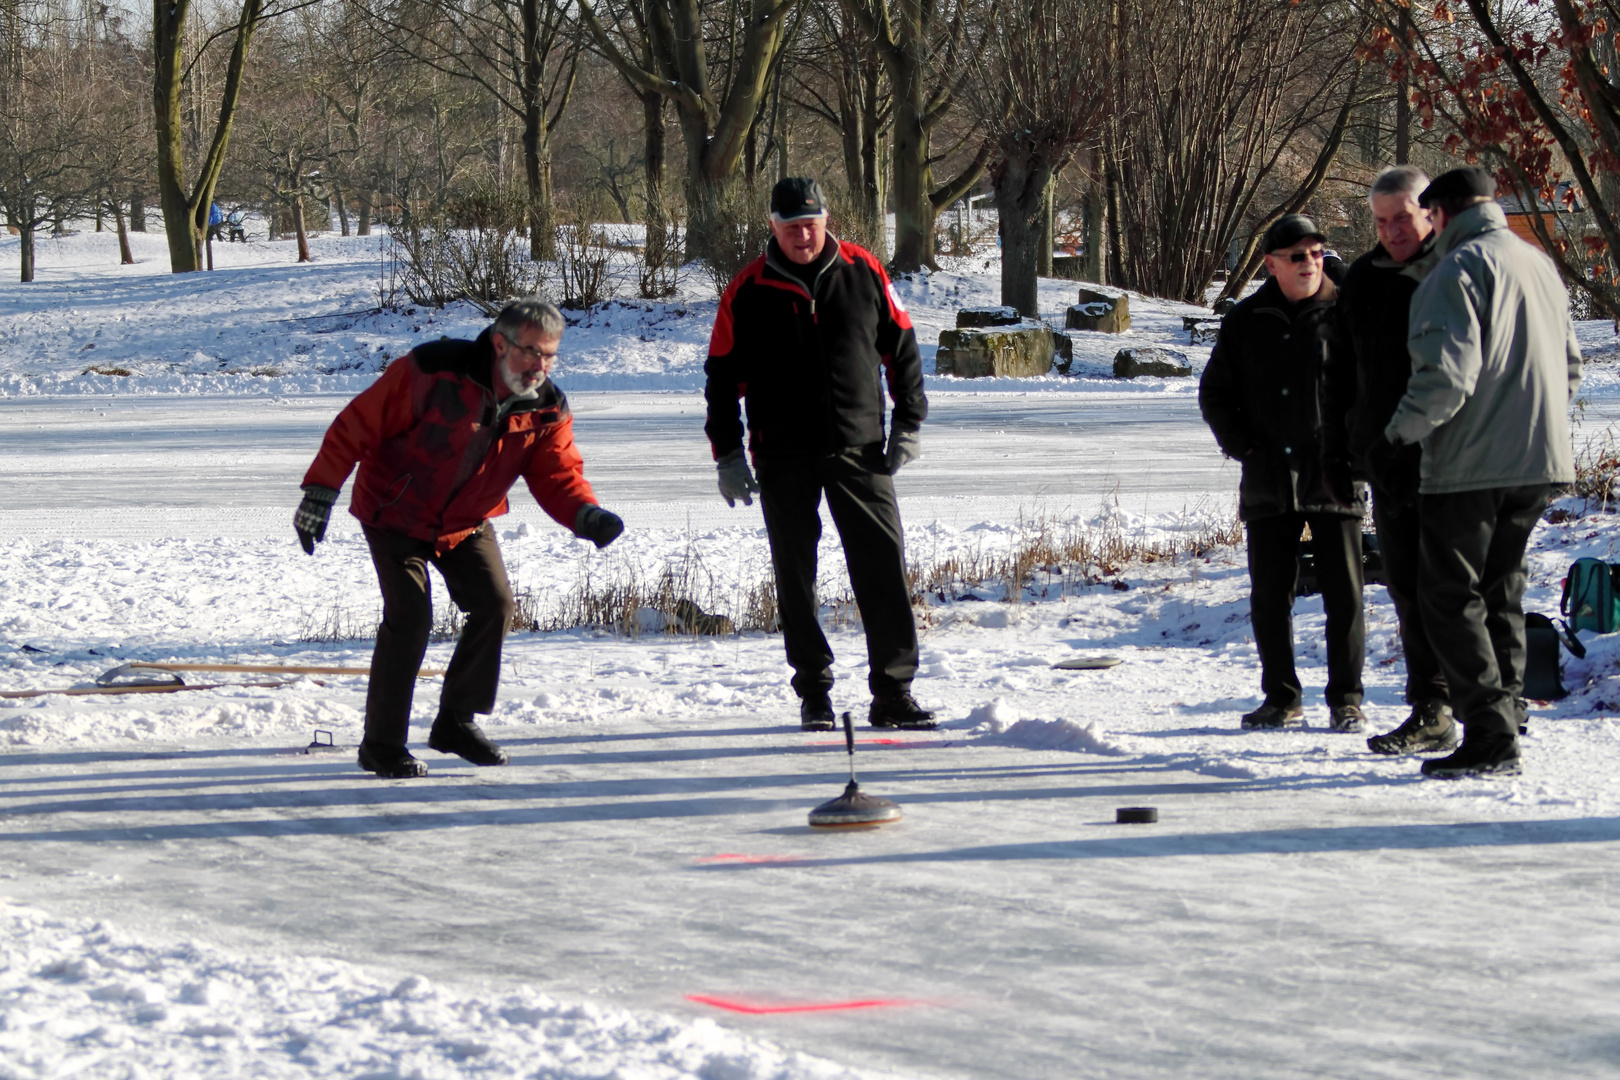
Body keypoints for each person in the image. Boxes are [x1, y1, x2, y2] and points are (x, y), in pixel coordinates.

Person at [295, 298, 624, 777]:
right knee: (409, 616)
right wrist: (320, 492)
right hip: (394, 513)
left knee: (494, 604)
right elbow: (357, 425)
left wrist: (586, 515)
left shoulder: (547, 407)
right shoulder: (433, 371)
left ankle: (455, 721)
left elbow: (558, 475)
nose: (540, 365)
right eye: (531, 351)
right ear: (499, 343)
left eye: (550, 355)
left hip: (465, 523)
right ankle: (381, 744)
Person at [1370, 166, 1582, 778]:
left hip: (1469, 465)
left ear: (1440, 214)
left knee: (1447, 596)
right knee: (1502, 588)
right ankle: (1508, 712)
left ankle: (1488, 733)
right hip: (1538, 459)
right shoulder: (1538, 265)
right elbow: (1568, 368)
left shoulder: (1454, 271)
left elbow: (1447, 379)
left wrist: (1395, 438)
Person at [703, 176, 934, 732]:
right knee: (796, 577)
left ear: (826, 220)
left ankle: (893, 692)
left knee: (882, 568)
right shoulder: (746, 290)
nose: (803, 236)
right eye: (790, 227)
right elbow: (720, 380)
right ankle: (814, 691)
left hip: (860, 450)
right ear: (772, 227)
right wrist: (728, 455)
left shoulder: (864, 271)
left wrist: (908, 423)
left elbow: (901, 349)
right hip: (781, 457)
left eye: (811, 224)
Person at [1200, 214, 1367, 732]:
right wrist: (1244, 446)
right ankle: (1282, 696)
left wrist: (1355, 454)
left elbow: (1371, 389)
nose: (1309, 263)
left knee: (1346, 593)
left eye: (1317, 253)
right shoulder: (1247, 319)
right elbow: (1216, 394)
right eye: (1297, 256)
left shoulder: (1347, 314)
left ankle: (1346, 699)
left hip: (1333, 475)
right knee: (1271, 595)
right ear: (1271, 264)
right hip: (1270, 477)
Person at [1339, 166, 1453, 755]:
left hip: (1455, 456)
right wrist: (1355, 442)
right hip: (1387, 458)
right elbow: (1345, 368)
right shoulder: (1363, 278)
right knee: (1406, 585)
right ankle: (1430, 704)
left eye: (1401, 219)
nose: (1392, 232)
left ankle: (1488, 700)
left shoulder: (1452, 271)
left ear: (1429, 212)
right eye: (1381, 222)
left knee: (1460, 585)